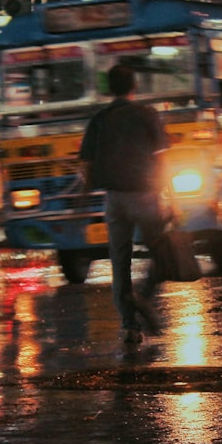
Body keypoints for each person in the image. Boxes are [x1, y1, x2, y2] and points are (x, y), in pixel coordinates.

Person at [78, 64, 171, 345]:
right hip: (145, 194)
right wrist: (171, 195)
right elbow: (163, 159)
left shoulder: (100, 118)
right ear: (134, 86)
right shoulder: (147, 115)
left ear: (110, 89)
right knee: (162, 253)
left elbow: (86, 164)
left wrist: (84, 195)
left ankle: (130, 326)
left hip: (114, 199)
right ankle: (144, 293)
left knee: (120, 260)